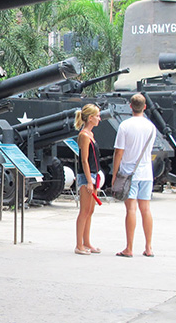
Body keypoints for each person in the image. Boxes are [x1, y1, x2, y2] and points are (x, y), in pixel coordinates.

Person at [110, 93, 156, 258]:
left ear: (130, 106)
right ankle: (149, 247)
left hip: (129, 172)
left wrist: (115, 174)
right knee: (146, 209)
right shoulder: (151, 126)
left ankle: (129, 247)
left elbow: (119, 152)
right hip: (146, 172)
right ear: (144, 107)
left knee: (131, 209)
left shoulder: (125, 126)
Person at [74, 103, 102, 255]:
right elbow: (84, 160)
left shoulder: (90, 135)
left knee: (90, 210)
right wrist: (89, 181)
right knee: (84, 211)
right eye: (97, 116)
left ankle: (87, 241)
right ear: (90, 118)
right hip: (87, 175)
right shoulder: (84, 135)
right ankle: (79, 244)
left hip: (93, 174)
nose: (99, 119)